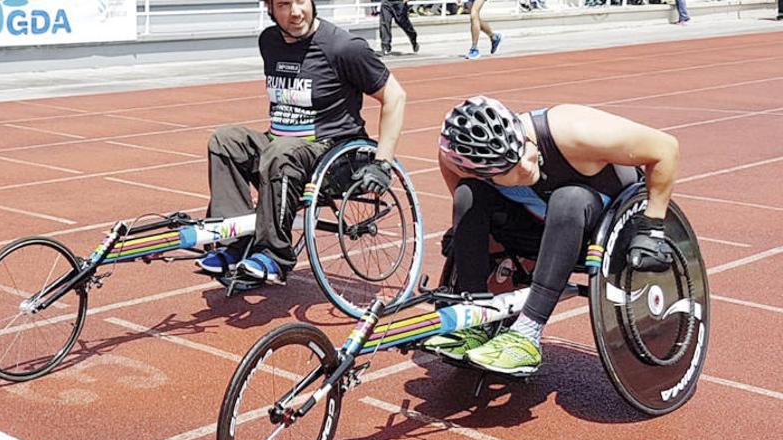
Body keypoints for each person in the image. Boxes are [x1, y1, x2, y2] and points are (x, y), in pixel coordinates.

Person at [424, 96, 679, 375]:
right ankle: (473, 319)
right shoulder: (457, 159)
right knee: (467, 194)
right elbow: (467, 194)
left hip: (601, 226)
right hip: (537, 226)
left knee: (569, 198)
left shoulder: (574, 130)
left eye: (524, 153)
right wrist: (470, 235)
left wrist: (651, 228)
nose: (526, 166)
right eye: (512, 170)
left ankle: (527, 333)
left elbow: (665, 148)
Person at [197, 0, 407, 286]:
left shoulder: (343, 47)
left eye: (301, 1)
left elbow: (395, 96)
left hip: (331, 153)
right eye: (284, 4)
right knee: (225, 140)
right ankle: (234, 244)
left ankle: (274, 255)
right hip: (280, 142)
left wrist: (383, 162)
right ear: (270, 9)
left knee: (281, 152)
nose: (295, 12)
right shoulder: (269, 41)